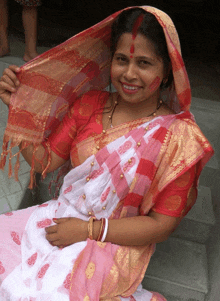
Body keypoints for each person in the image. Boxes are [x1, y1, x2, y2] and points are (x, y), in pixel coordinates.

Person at [0, 6, 213, 301]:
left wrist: (87, 230)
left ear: (167, 71)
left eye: (144, 63)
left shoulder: (179, 140)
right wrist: (20, 111)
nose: (129, 73)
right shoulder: (90, 104)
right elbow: (43, 161)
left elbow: (161, 226)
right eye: (122, 59)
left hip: (112, 241)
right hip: (59, 218)